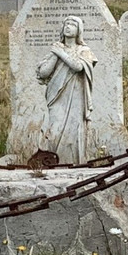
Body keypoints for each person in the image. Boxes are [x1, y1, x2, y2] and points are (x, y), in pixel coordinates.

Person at [36, 16, 95, 163]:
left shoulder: (84, 50)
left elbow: (78, 67)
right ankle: (53, 161)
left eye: (73, 25)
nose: (68, 26)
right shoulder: (56, 49)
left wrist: (61, 53)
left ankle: (74, 162)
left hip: (76, 95)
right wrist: (56, 53)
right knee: (55, 128)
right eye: (66, 24)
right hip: (56, 95)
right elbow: (43, 72)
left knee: (74, 130)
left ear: (79, 30)